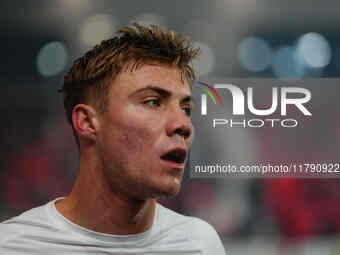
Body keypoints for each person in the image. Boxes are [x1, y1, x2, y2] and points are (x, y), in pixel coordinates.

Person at [0, 23, 226, 254]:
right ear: (87, 122)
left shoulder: (200, 244)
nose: (183, 124)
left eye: (186, 108)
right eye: (153, 102)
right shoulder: (12, 246)